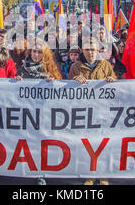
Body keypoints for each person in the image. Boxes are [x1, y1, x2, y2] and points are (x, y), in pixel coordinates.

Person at [68, 37, 115, 186]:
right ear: (82, 51)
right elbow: (67, 87)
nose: (90, 52)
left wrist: (111, 80)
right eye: (87, 49)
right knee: (87, 145)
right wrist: (74, 80)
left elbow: (115, 84)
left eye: (93, 49)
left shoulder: (105, 65)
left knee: (103, 144)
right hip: (84, 112)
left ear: (98, 50)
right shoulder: (76, 66)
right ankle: (89, 174)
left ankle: (103, 175)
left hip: (102, 111)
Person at [15, 38, 62, 185]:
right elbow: (14, 92)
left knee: (42, 145)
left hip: (44, 114)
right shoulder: (23, 68)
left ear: (45, 54)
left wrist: (53, 82)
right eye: (34, 51)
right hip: (28, 113)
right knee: (29, 144)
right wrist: (16, 81)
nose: (36, 55)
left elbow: (60, 90)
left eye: (39, 52)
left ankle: (41, 173)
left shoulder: (51, 68)